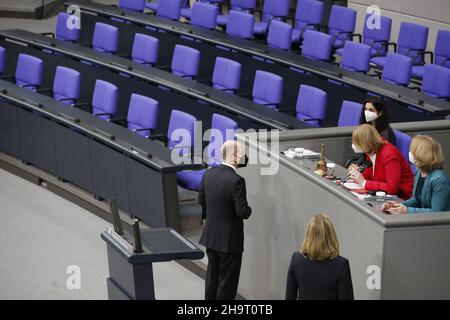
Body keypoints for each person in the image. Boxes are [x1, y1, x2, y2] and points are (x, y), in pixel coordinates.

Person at [198, 140, 252, 300]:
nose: (245, 158)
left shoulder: (209, 173)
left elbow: (201, 200)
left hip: (211, 236)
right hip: (229, 241)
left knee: (212, 278)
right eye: (243, 155)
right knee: (227, 283)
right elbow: (242, 212)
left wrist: (215, 216)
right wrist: (250, 210)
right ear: (234, 157)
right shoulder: (237, 181)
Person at [285, 214, 354, 300]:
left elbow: (289, 297)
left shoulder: (296, 260)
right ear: (331, 236)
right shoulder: (341, 264)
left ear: (309, 235)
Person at [383, 135, 450, 214]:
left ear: (420, 154)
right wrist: (399, 206)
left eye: (412, 151)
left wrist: (407, 210)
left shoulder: (439, 179)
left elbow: (436, 212)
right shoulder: (419, 171)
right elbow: (416, 199)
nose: (410, 153)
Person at [348, 124, 414, 200]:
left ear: (366, 144)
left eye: (356, 143)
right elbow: (371, 174)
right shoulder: (371, 149)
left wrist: (364, 183)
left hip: (402, 198)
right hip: (383, 195)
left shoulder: (390, 155)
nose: (353, 145)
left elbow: (392, 189)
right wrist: (357, 175)